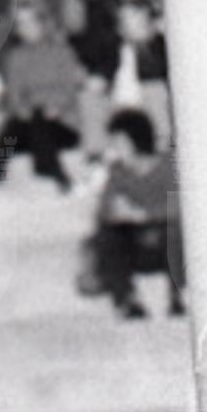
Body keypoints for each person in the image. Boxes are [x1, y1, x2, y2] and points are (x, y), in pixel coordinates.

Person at [0, 0, 84, 198]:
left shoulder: (63, 52)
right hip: (32, 126)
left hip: (62, 125)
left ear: (42, 21)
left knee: (39, 117)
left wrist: (55, 108)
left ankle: (52, 170)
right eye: (21, 24)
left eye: (30, 22)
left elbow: (70, 89)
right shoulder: (15, 58)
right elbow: (14, 95)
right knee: (13, 127)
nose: (26, 28)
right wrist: (23, 111)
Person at [85, 105, 182, 320]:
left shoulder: (167, 167)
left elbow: (179, 207)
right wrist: (117, 213)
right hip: (135, 245)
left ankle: (178, 296)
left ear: (136, 140)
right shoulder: (118, 172)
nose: (115, 149)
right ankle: (127, 300)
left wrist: (143, 215)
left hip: (167, 243)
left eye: (119, 143)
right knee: (106, 235)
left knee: (177, 231)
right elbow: (105, 210)